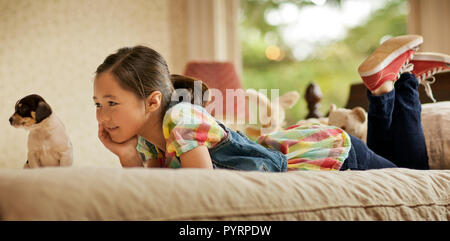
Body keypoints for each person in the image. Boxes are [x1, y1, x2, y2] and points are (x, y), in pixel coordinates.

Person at [93, 36, 450, 171]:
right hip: (314, 148)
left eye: (111, 103)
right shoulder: (147, 139)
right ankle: (395, 82)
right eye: (97, 104)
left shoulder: (181, 119)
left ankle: (397, 84)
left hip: (325, 154)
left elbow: (197, 192)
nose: (103, 115)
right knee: (404, 168)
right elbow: (155, 194)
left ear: (152, 101)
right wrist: (126, 156)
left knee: (414, 177)